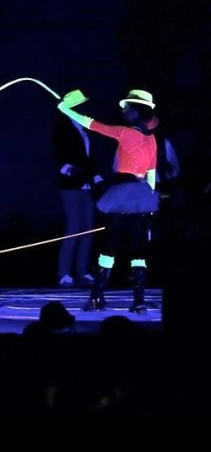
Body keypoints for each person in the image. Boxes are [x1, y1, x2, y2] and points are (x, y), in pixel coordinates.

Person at [56, 89, 159, 313]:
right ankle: (139, 301)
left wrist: (65, 109)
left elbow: (92, 124)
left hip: (122, 194)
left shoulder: (125, 133)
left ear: (136, 111)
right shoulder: (152, 140)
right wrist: (149, 203)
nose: (124, 111)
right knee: (137, 249)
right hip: (141, 197)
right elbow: (151, 176)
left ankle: (97, 298)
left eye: (127, 108)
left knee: (110, 246)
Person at [51, 106, 104, 287]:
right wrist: (68, 169)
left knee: (88, 229)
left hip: (86, 184)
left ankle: (82, 272)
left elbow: (88, 158)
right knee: (74, 227)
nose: (83, 109)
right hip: (71, 184)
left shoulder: (84, 128)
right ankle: (64, 273)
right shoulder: (63, 127)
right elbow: (58, 154)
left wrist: (96, 176)